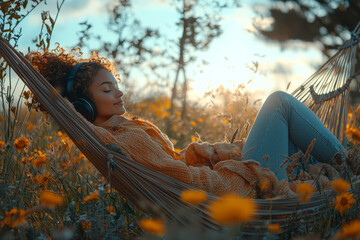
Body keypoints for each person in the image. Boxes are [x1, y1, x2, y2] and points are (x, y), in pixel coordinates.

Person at [26, 48, 348, 198]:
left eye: (117, 84)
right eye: (106, 89)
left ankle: (343, 161)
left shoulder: (118, 130)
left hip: (235, 181)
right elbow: (184, 178)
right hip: (239, 190)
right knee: (279, 102)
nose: (119, 92)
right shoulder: (120, 137)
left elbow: (173, 164)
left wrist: (211, 153)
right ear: (83, 104)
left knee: (290, 131)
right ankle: (349, 162)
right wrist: (234, 166)